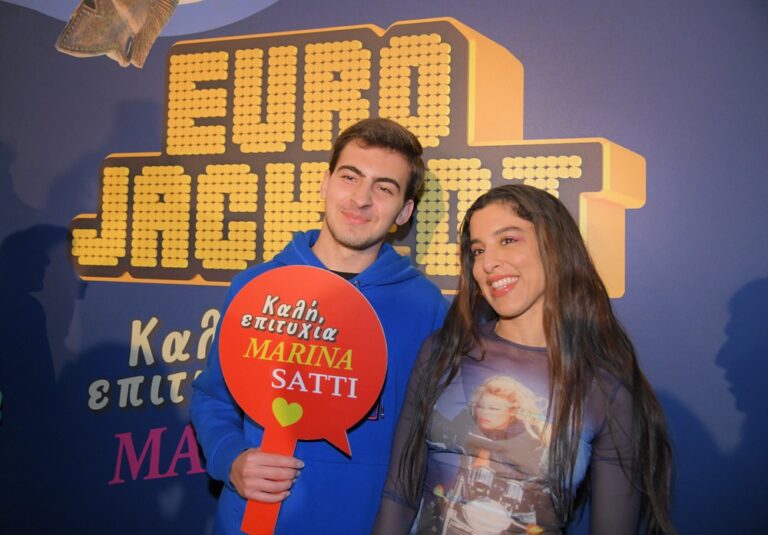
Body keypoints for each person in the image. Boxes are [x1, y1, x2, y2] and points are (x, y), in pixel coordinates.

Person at [190, 118, 447, 534]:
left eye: (384, 188)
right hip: (256, 522)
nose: (361, 199)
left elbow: (430, 439)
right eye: (350, 177)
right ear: (325, 184)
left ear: (404, 211)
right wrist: (231, 458)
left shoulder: (427, 307)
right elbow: (212, 398)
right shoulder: (256, 286)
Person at [373, 184, 674, 534]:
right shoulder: (442, 353)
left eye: (508, 240)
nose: (488, 263)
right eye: (478, 250)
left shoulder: (604, 388)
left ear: (553, 246)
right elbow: (399, 493)